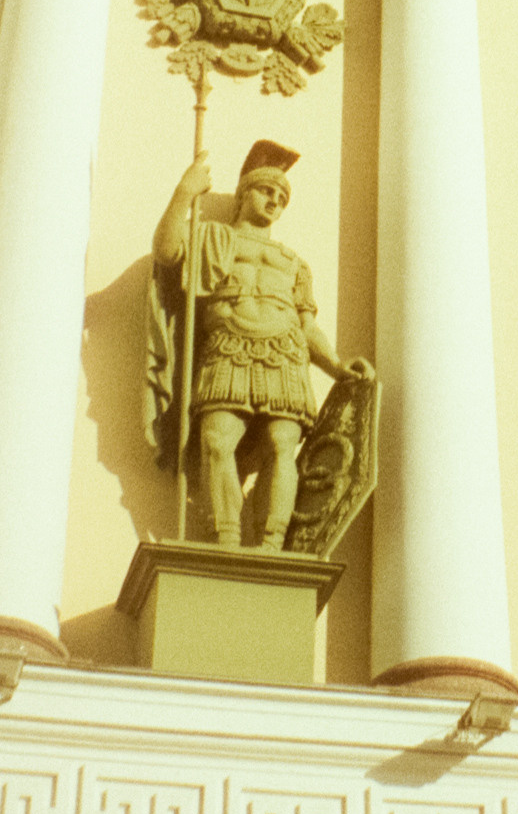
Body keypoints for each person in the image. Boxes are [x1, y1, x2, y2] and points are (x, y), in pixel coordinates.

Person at [150, 140, 371, 548]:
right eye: (266, 191)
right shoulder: (212, 237)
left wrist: (337, 365)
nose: (274, 200)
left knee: (280, 446)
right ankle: (227, 538)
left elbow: (306, 328)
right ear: (243, 193)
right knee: (217, 440)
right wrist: (185, 192)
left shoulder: (293, 262)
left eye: (282, 197)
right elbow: (166, 253)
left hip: (284, 353)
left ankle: (272, 543)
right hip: (229, 344)